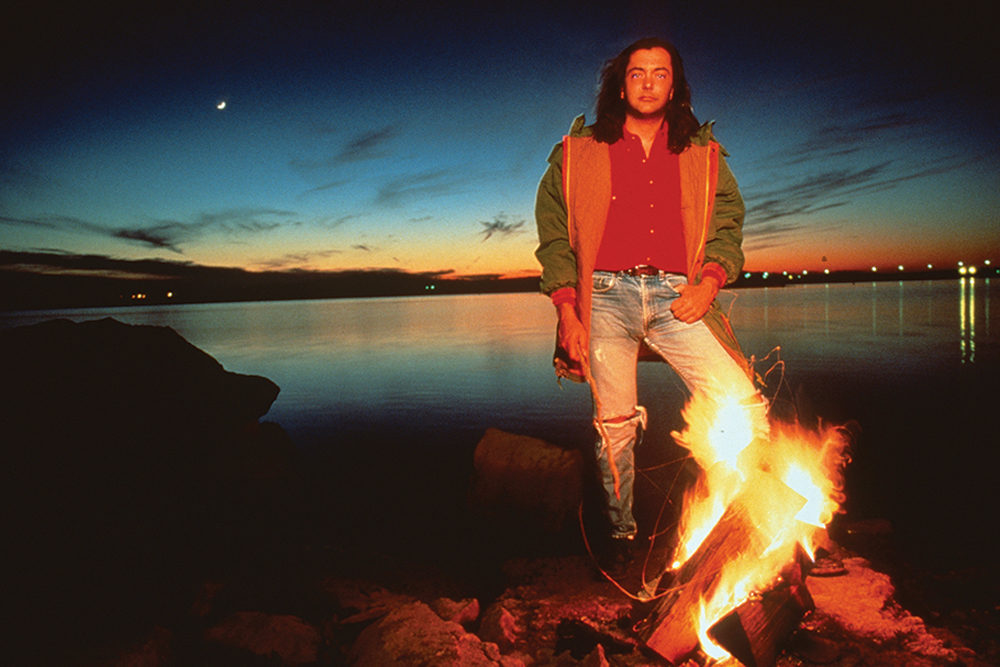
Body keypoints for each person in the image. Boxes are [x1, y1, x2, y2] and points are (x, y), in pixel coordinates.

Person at [534, 37, 762, 577]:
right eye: (637, 73)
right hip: (605, 300)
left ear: (675, 86)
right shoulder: (578, 151)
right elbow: (554, 237)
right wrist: (568, 311)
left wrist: (708, 284)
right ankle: (622, 535)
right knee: (613, 425)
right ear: (620, 84)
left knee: (743, 401)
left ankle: (749, 515)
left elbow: (728, 227)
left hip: (677, 296)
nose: (648, 83)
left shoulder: (701, 154)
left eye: (660, 74)